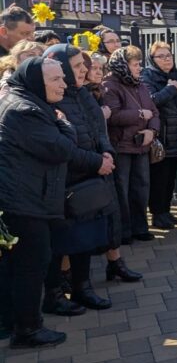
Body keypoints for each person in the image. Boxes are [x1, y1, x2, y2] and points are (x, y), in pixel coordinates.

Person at [0, 59, 87, 347]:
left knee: (24, 264)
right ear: (37, 82)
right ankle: (27, 329)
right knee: (31, 265)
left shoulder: (29, 102)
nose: (64, 84)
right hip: (25, 202)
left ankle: (15, 321)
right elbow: (62, 148)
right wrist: (64, 123)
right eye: (56, 80)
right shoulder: (24, 111)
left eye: (63, 78)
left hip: (29, 196)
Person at [42, 45, 115, 314]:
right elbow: (60, 145)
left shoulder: (83, 94)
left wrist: (106, 153)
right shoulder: (52, 98)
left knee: (85, 239)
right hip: (67, 182)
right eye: (76, 66)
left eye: (83, 65)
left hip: (93, 179)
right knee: (60, 243)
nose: (84, 69)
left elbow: (99, 129)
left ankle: (82, 288)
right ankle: (54, 294)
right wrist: (97, 162)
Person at [83, 51, 141, 283]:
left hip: (105, 156)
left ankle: (115, 262)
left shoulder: (97, 92)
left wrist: (106, 153)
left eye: (101, 69)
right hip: (88, 162)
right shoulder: (77, 95)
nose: (98, 73)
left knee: (111, 213)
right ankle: (73, 276)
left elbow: (99, 132)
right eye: (93, 68)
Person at [102, 47, 160, 243]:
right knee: (122, 190)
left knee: (141, 188)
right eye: (135, 64)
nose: (139, 68)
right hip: (122, 147)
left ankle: (140, 228)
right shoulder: (109, 85)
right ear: (123, 66)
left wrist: (152, 131)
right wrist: (140, 115)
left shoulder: (140, 85)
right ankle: (124, 231)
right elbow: (113, 116)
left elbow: (155, 112)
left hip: (141, 146)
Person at [141, 42, 177, 230]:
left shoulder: (176, 76)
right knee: (159, 178)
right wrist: (170, 89)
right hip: (160, 135)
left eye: (168, 55)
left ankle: (166, 211)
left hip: (176, 134)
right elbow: (151, 102)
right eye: (160, 56)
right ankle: (157, 214)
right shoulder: (147, 76)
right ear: (152, 60)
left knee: (170, 176)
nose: (166, 59)